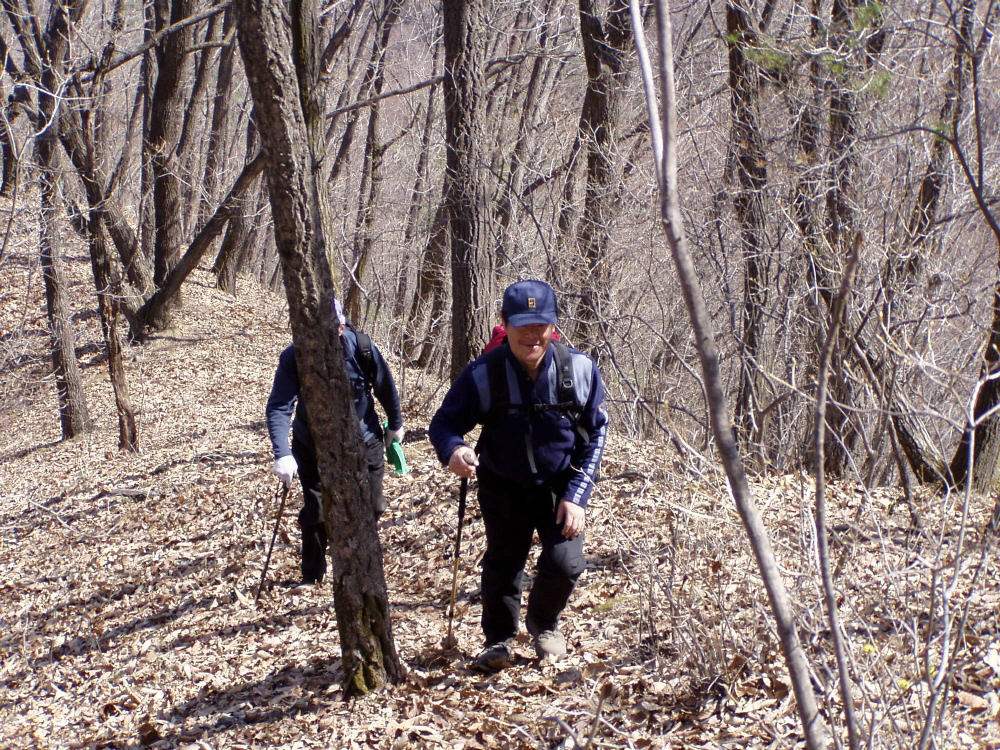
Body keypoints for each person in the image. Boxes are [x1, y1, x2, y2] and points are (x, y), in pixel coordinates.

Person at [429, 280, 609, 671]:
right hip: (502, 484)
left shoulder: (579, 370)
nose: (532, 334)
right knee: (504, 563)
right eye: (522, 325)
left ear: (554, 325)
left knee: (565, 563)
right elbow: (444, 423)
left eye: (540, 324)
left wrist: (577, 494)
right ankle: (498, 640)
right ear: (505, 323)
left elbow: (597, 431)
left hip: (560, 484)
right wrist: (454, 450)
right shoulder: (483, 374)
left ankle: (544, 624)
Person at [266, 299, 404, 586]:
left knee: (375, 505)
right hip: (312, 443)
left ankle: (361, 569)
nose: (332, 335)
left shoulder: (363, 348)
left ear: (343, 325)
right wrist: (282, 453)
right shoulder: (295, 357)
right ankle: (311, 576)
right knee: (316, 513)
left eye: (337, 327)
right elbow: (279, 405)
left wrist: (395, 424)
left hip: (364, 438)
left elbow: (385, 386)